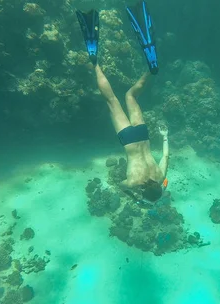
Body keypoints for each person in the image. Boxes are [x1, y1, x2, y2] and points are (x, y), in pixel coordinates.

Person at [76, 2, 168, 206]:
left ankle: (150, 71)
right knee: (111, 99)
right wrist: (136, 199)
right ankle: (94, 61)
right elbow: (121, 185)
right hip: (128, 139)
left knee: (130, 96)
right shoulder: (135, 182)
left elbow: (166, 154)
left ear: (160, 187)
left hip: (143, 134)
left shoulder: (161, 176)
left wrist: (165, 136)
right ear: (145, 193)